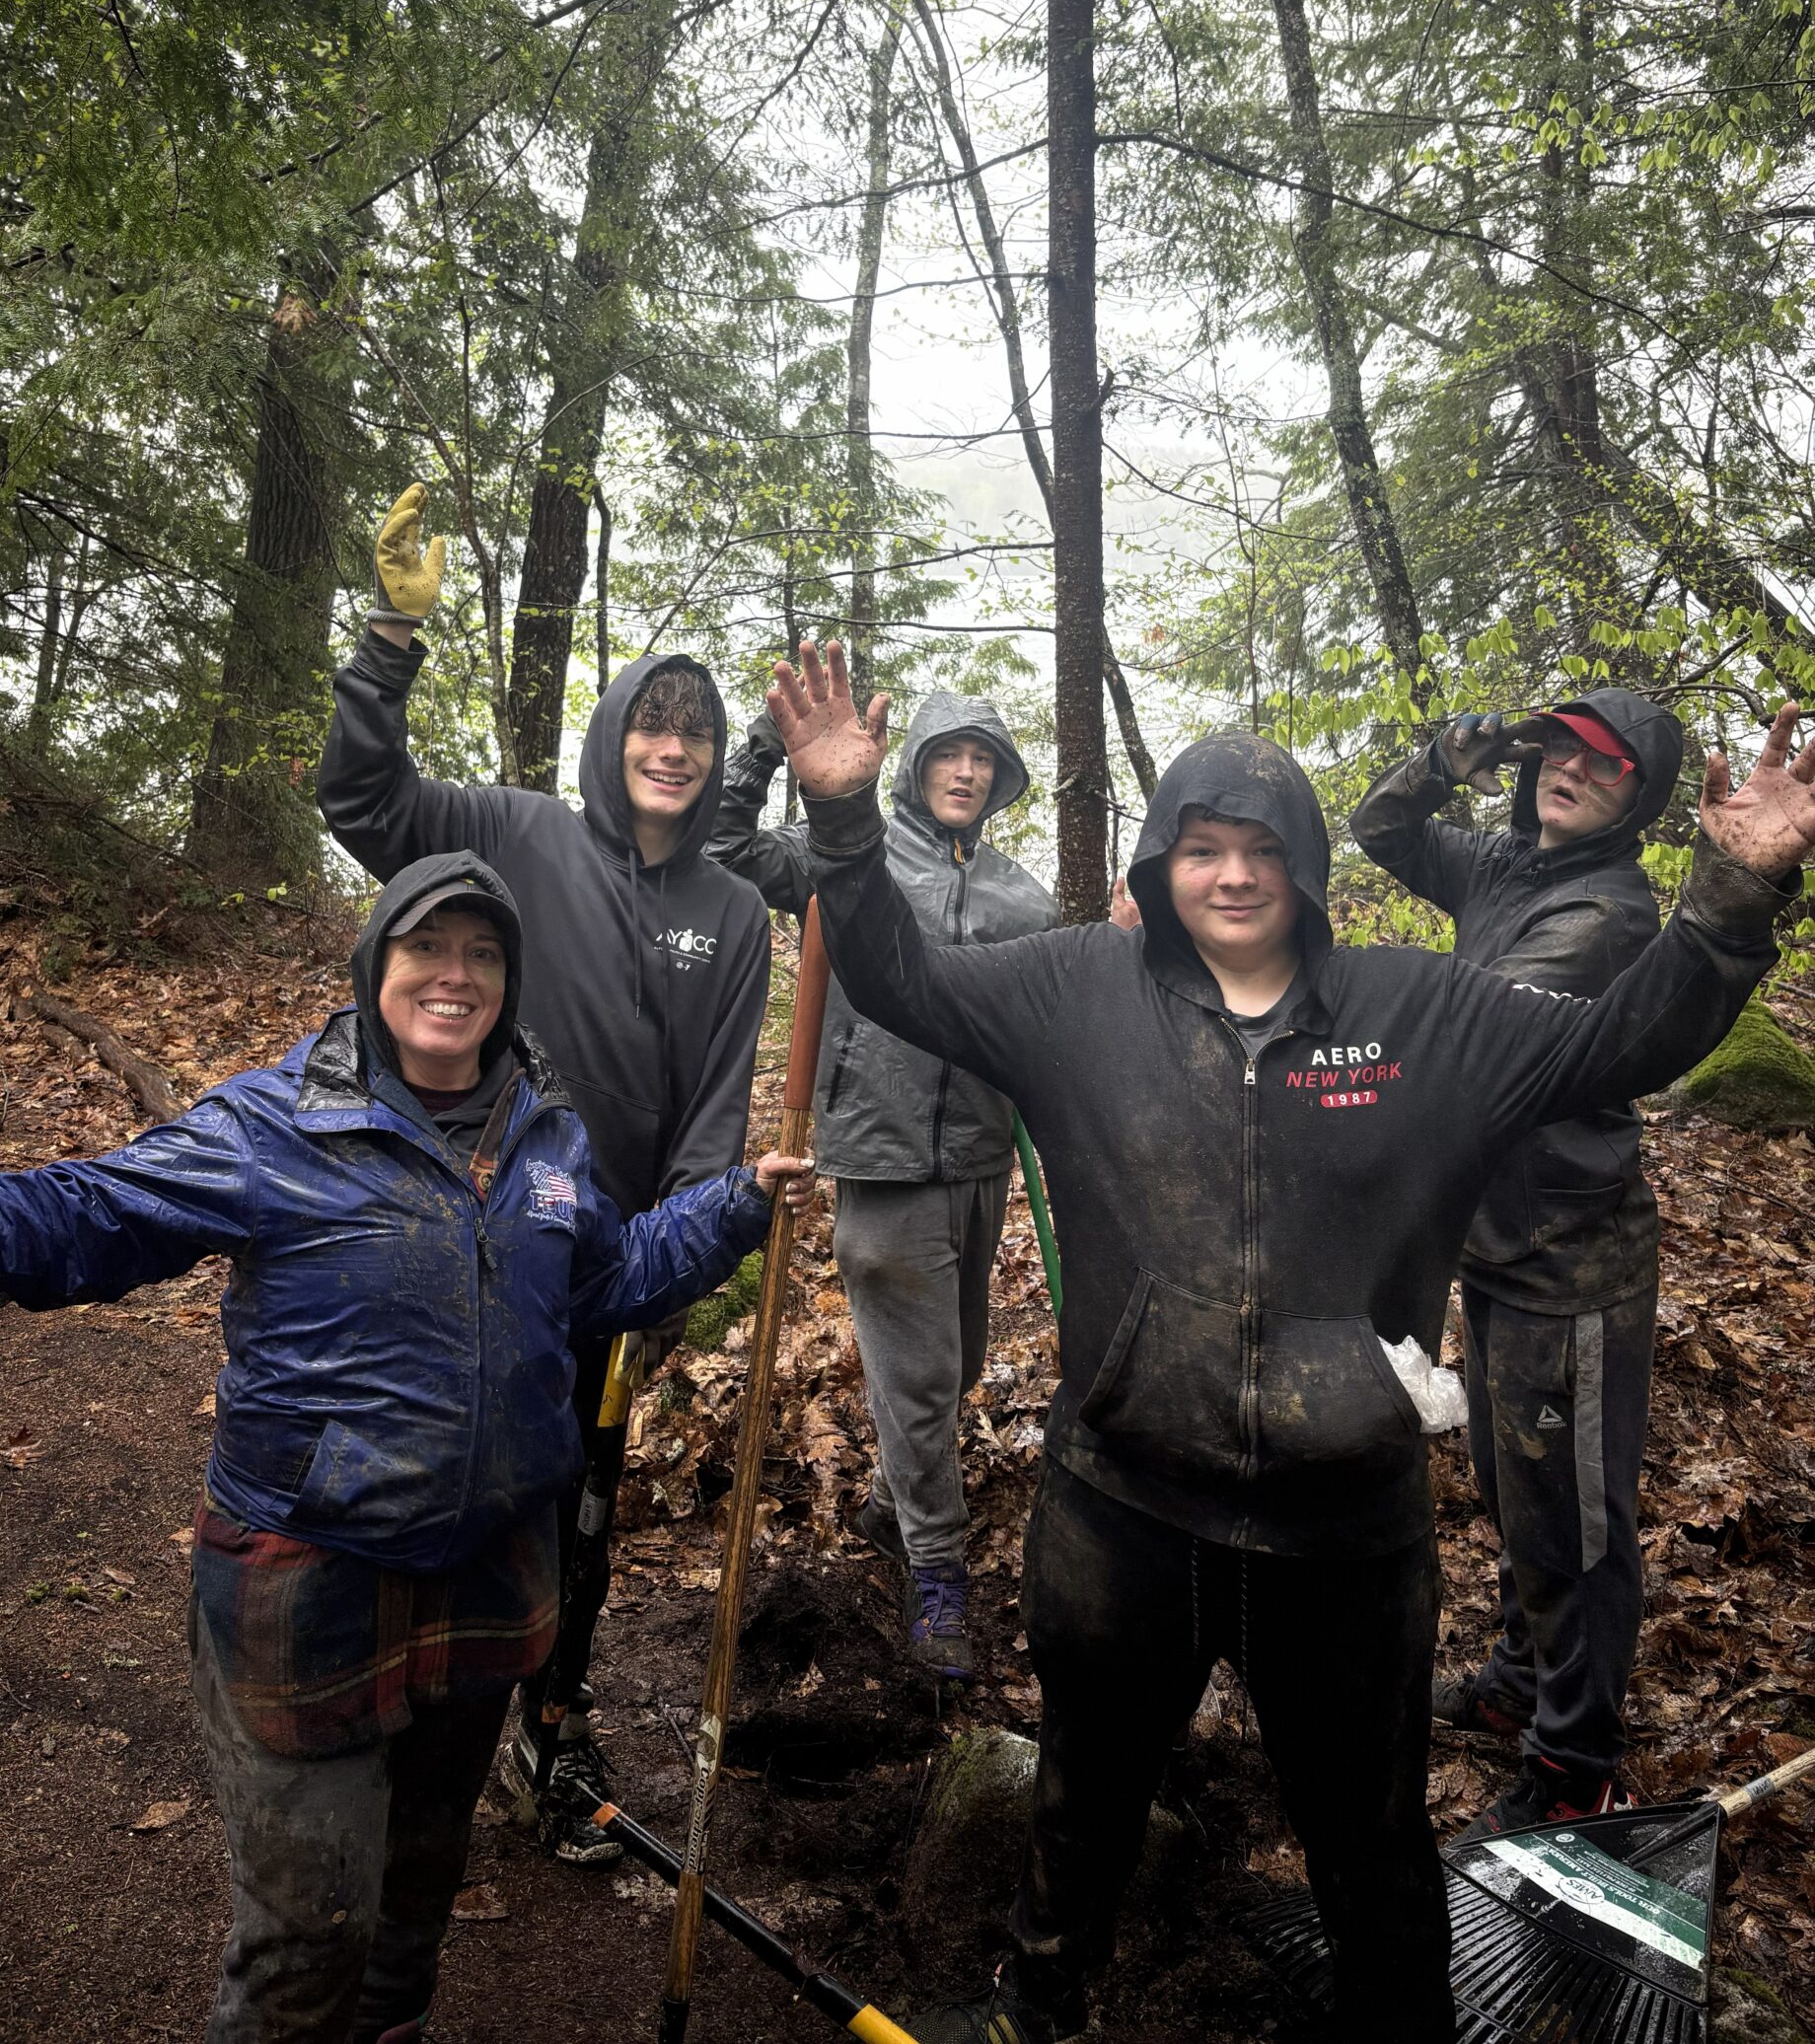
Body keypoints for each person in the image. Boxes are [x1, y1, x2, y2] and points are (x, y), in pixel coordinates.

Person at [763, 640, 1813, 2044]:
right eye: (1202, 848)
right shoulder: (1073, 990)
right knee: (1083, 1792)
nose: (1235, 875)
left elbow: (1620, 1043)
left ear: (1309, 867)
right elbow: (898, 977)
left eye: (1265, 849)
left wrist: (1733, 896)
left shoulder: (1419, 1009)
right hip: (1122, 1509)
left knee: (1369, 1832)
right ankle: (1037, 2009)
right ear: (1159, 865)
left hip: (1346, 1536)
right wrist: (844, 814)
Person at [0, 852, 810, 2044]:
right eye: (426, 946)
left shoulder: (545, 1133)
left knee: (411, 1909)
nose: (456, 974)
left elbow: (606, 1279)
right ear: (373, 963)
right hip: (311, 1581)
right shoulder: (275, 1124)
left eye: (483, 953)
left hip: (489, 1575)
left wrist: (735, 1202)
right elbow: (76, 1215)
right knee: (309, 1940)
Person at [316, 486, 772, 1854]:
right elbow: (365, 800)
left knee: (576, 1506)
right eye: (652, 722)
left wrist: (677, 1265)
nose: (673, 748)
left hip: (604, 1261)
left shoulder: (733, 911)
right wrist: (391, 639)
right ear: (612, 730)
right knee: (418, 1457)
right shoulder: (516, 829)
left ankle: (550, 1730)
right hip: (454, 1224)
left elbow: (715, 1101)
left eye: (696, 732)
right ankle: (376, 1705)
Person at [1350, 691, 1684, 1832]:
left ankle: (1576, 1764)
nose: (1568, 769)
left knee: (1573, 1520)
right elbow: (1380, 829)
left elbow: (1477, 1027)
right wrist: (1446, 756)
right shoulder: (1500, 865)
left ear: (1638, 795)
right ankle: (1518, 1680)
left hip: (1571, 1255)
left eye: (1604, 763)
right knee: (1510, 1481)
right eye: (1558, 747)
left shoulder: (1610, 910)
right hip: (1492, 1236)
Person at [708, 690, 1057, 1681]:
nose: (966, 771)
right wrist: (764, 748)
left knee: (957, 1365)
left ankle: (885, 1507)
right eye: (947, 753)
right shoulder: (843, 858)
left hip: (980, 1159)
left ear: (1001, 776)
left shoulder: (1024, 899)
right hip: (881, 1154)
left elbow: (1045, 1020)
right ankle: (935, 1570)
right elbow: (725, 849)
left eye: (983, 757)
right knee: (923, 1383)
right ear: (913, 765)